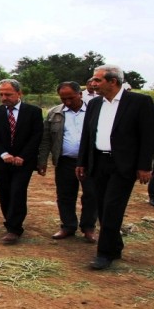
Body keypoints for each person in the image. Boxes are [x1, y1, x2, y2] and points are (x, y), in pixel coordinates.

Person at [76, 64, 154, 270]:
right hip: (98, 162)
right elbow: (87, 135)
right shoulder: (94, 104)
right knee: (102, 206)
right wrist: (82, 161)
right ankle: (115, 245)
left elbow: (148, 137)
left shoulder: (139, 102)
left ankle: (104, 254)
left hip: (123, 165)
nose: (92, 83)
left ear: (113, 81)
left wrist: (144, 166)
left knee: (112, 207)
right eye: (93, 79)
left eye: (97, 80)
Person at [37, 82, 97, 243]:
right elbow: (46, 139)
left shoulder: (94, 111)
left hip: (89, 162)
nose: (67, 102)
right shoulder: (54, 113)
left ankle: (88, 227)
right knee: (65, 195)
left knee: (91, 194)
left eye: (71, 98)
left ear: (80, 94)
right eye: (63, 99)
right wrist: (42, 161)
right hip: (65, 161)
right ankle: (68, 226)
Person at [0, 79, 43, 244]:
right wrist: (3, 154)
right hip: (1, 161)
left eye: (8, 94)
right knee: (4, 193)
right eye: (1, 94)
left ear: (19, 93)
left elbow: (36, 136)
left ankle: (14, 228)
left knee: (18, 192)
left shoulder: (33, 112)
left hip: (23, 162)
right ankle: (10, 223)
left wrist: (23, 156)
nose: (4, 97)